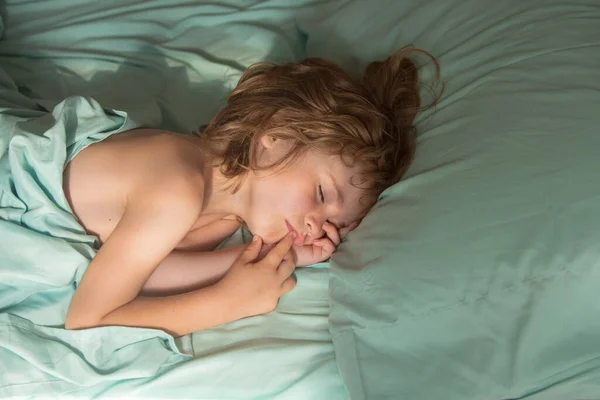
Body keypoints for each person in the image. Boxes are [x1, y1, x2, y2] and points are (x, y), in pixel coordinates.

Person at [64, 48, 440, 337]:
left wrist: (277, 257)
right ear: (272, 140)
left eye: (332, 223)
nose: (315, 225)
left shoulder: (227, 214)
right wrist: (227, 303)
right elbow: (88, 320)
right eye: (322, 194)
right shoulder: (175, 188)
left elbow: (142, 271)